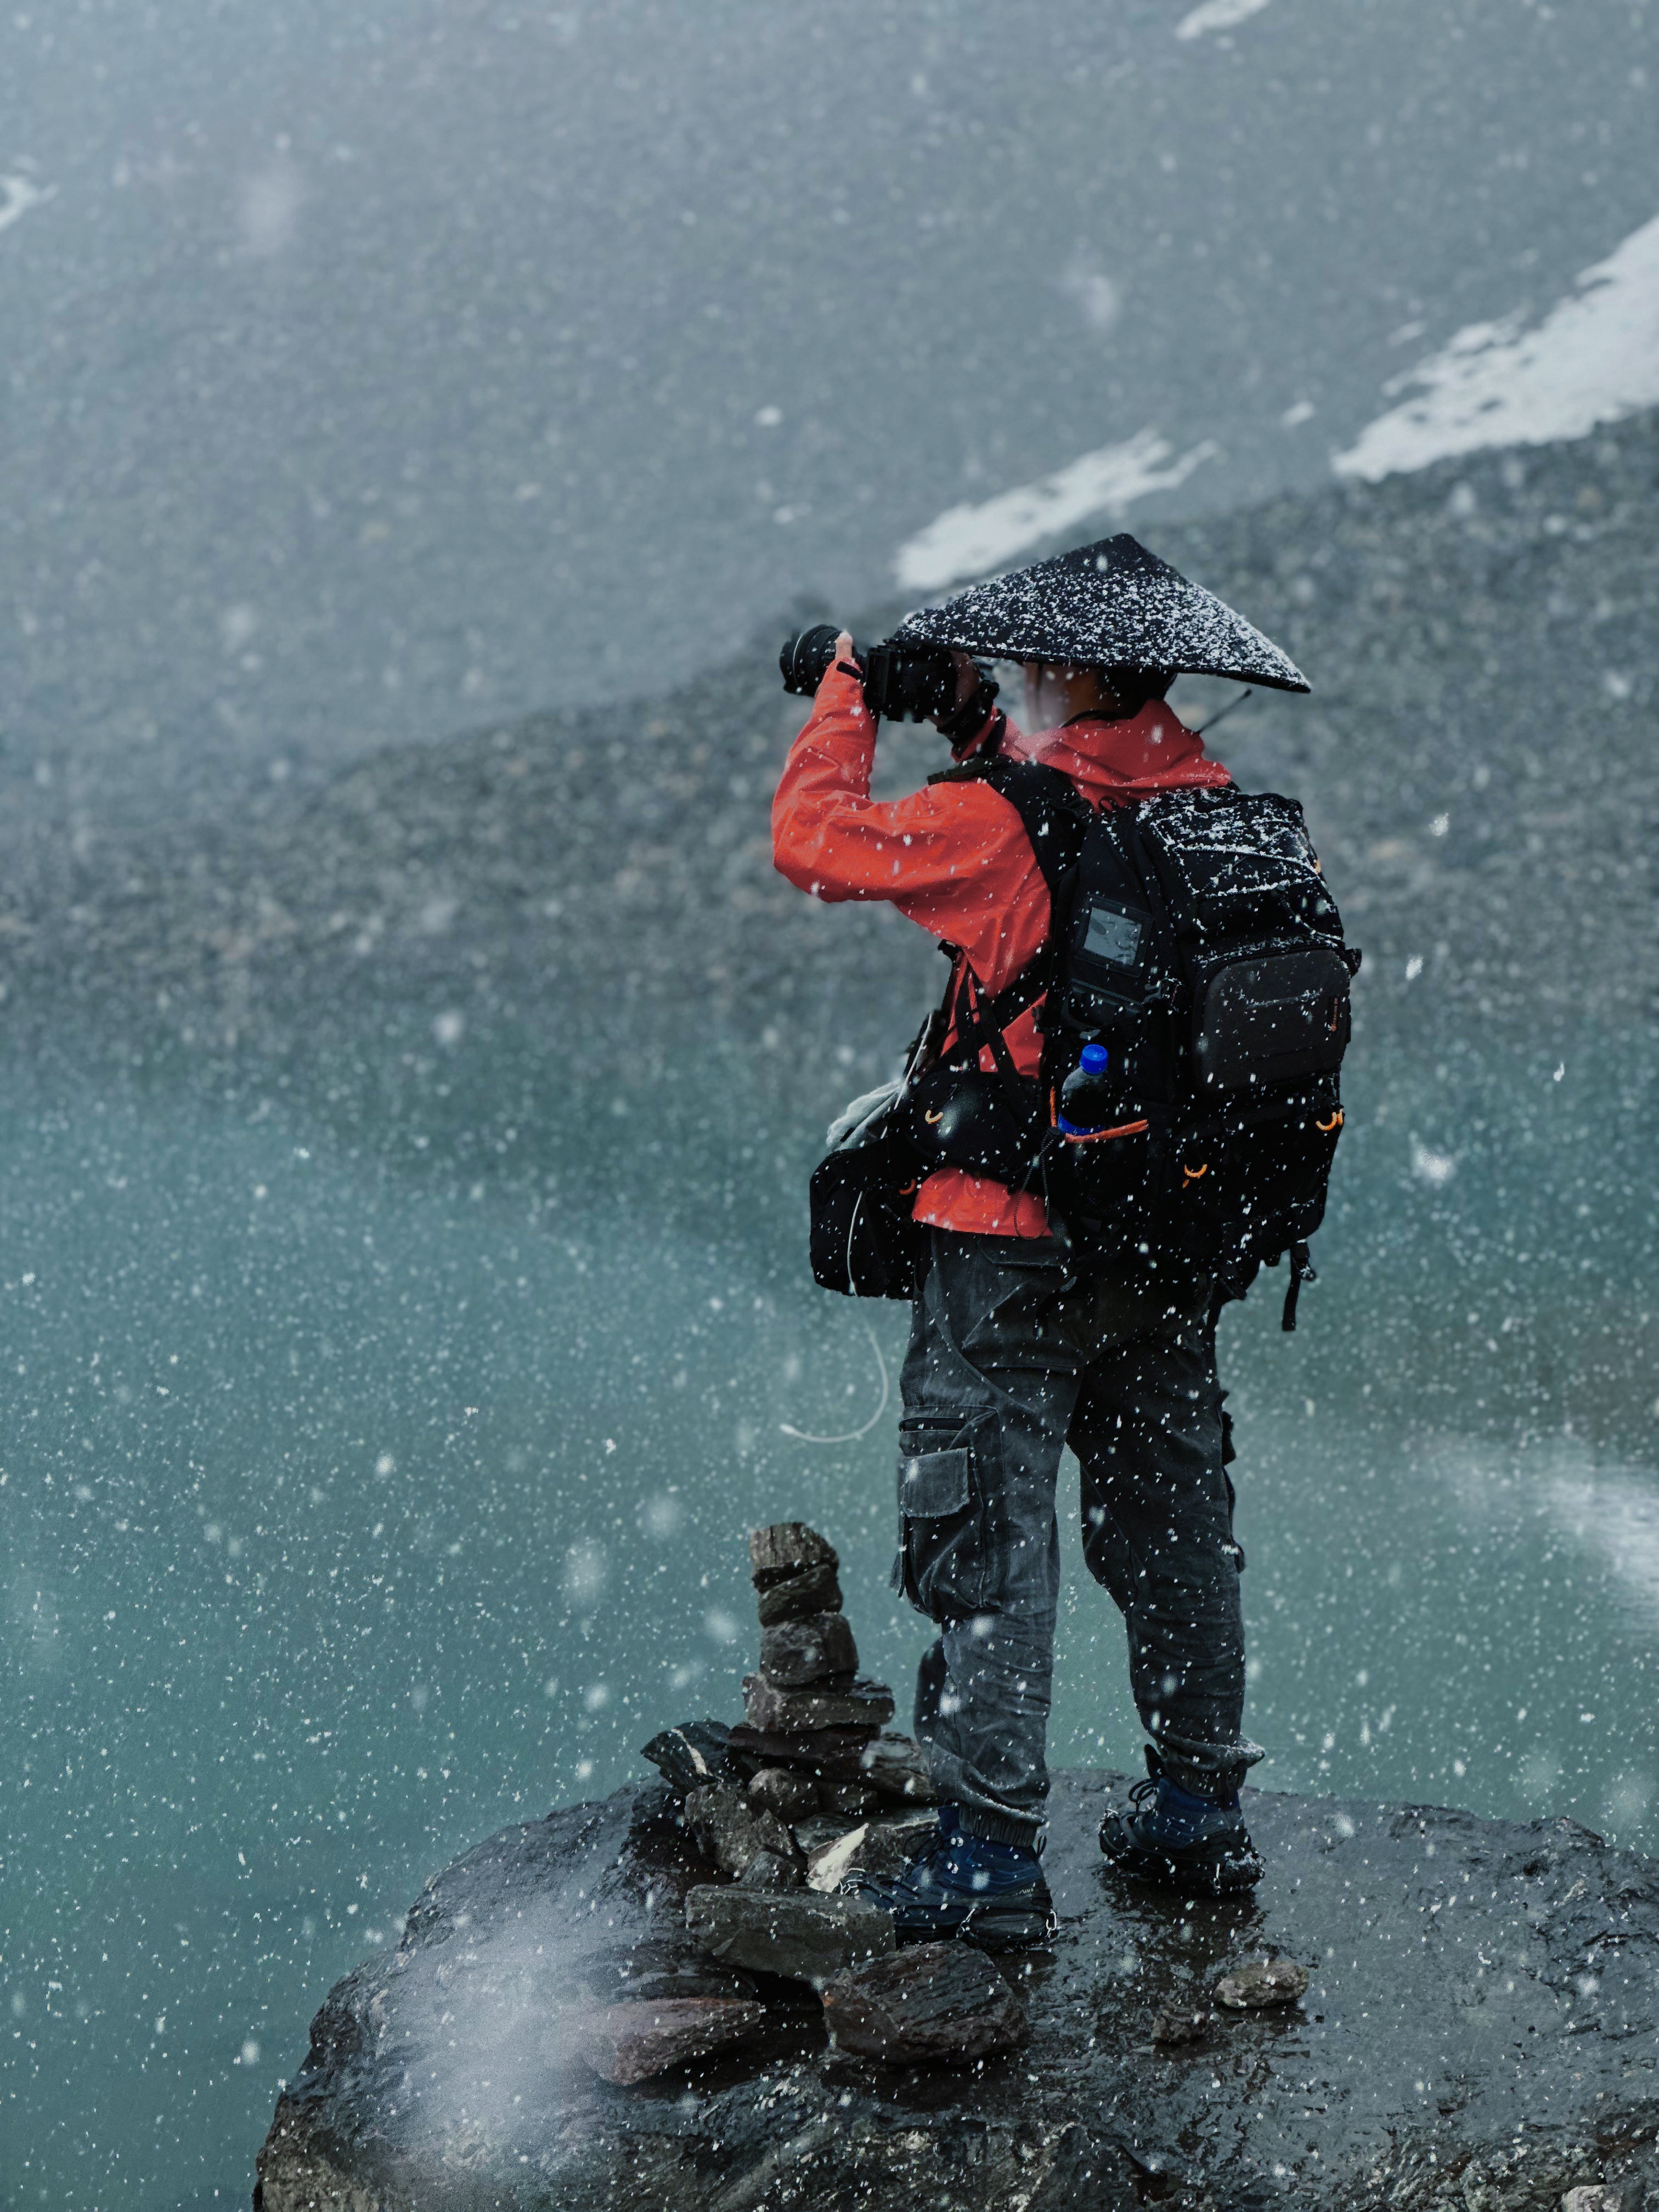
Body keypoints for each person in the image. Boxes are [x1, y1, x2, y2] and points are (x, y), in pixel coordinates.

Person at [770, 535, 1316, 1945]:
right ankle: (1200, 1815)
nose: (1019, 681)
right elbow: (1087, 817)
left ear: (1069, 668)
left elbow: (812, 844)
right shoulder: (1232, 821)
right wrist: (965, 719)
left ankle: (987, 1859)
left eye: (1029, 668)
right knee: (1176, 1527)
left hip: (1008, 1241)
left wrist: (840, 695)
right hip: (1175, 1243)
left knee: (988, 1539)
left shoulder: (999, 830)